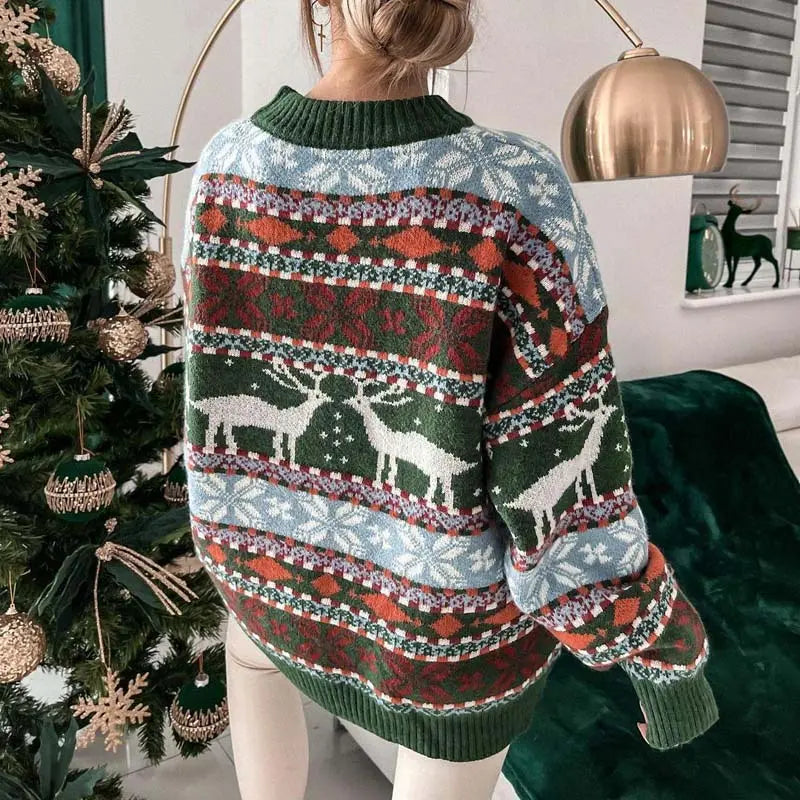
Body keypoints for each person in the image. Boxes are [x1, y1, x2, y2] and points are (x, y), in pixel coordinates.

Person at [181, 1, 719, 798]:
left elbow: (209, 374)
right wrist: (658, 650)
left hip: (261, 583)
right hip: (443, 643)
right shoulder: (511, 187)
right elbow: (561, 467)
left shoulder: (227, 164)